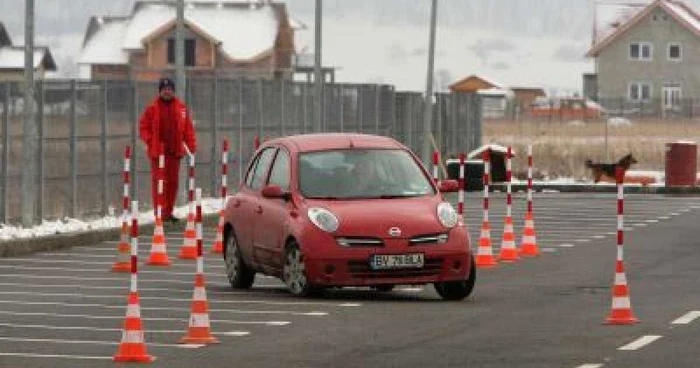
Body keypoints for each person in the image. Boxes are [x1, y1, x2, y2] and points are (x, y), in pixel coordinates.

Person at [139, 77, 196, 223]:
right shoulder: (152, 108)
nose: (167, 92)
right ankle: (159, 213)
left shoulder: (181, 108)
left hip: (174, 153)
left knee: (172, 183)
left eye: (169, 89)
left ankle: (168, 212)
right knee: (159, 183)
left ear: (173, 91)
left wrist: (191, 145)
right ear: (160, 91)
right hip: (158, 154)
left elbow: (188, 129)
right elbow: (143, 127)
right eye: (164, 89)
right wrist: (151, 141)